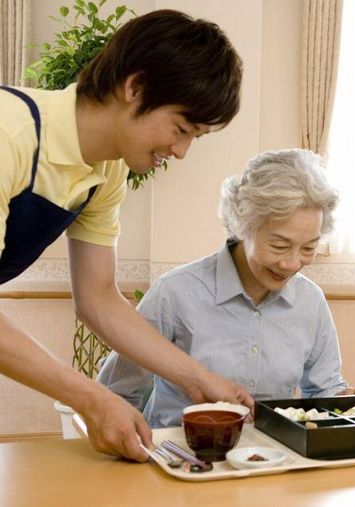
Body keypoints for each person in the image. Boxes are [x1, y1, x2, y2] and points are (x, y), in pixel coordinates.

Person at [0, 10, 251, 462]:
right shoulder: (8, 134)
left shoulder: (105, 172)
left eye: (194, 137)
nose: (180, 152)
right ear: (133, 88)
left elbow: (98, 298)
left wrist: (199, 381)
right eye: (180, 128)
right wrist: (92, 399)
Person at [98, 149, 355, 427]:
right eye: (279, 246)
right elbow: (116, 391)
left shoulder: (310, 301)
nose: (291, 263)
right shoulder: (174, 293)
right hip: (181, 456)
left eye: (309, 248)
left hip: (275, 458)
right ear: (243, 225)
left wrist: (344, 402)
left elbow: (323, 391)